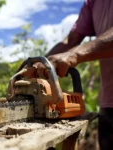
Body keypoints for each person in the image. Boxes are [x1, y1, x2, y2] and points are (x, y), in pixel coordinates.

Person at [44, 0, 113, 149]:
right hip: (108, 104)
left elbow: (73, 51)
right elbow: (71, 40)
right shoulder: (93, 2)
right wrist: (43, 64)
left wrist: (74, 55)